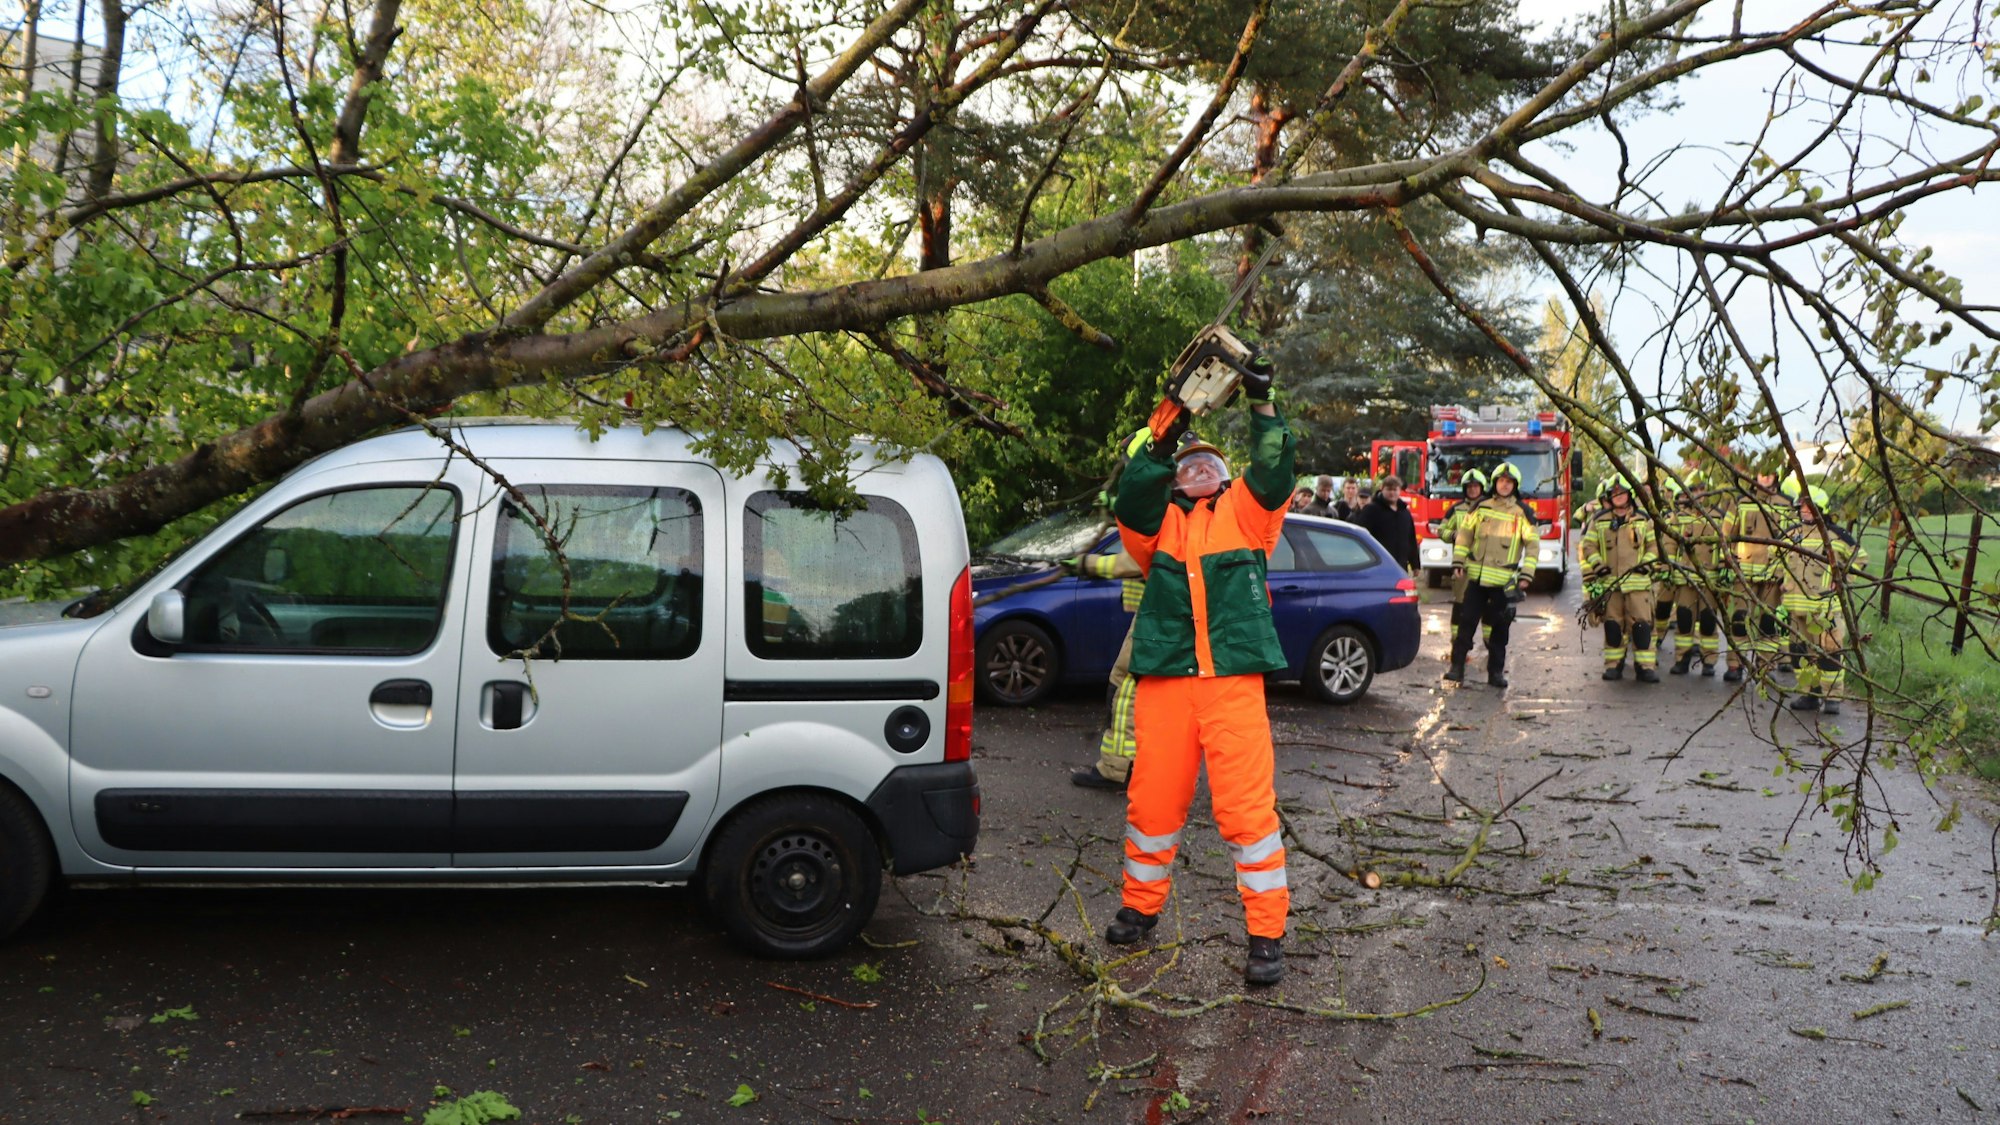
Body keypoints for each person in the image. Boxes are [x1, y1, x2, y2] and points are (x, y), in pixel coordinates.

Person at [1104, 355, 1296, 987]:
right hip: (1166, 684)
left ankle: (1266, 935)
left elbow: (1273, 470)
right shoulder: (1155, 528)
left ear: (1224, 476)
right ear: (1175, 478)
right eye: (1189, 465)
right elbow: (1130, 495)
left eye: (1210, 464)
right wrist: (1168, 423)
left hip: (1232, 684)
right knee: (1152, 804)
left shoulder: (1248, 514)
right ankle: (1139, 909)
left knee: (1247, 814)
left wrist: (1261, 402)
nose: (1200, 471)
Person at [1445, 461, 1537, 687]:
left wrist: (1526, 574)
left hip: (1503, 582)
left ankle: (1495, 673)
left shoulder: (1523, 512)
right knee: (1466, 625)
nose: (1505, 485)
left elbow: (1533, 546)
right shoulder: (1480, 506)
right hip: (1475, 579)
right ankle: (1457, 669)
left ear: (1515, 485)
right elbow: (1465, 535)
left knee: (1499, 630)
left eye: (1509, 482)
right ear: (1495, 483)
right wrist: (1458, 561)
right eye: (1501, 481)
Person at [1778, 484, 1866, 714]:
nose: (1804, 511)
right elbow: (1774, 558)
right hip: (1796, 608)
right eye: (1802, 507)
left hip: (1825, 609)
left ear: (1821, 509)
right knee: (1799, 652)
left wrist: (1843, 577)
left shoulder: (1837, 536)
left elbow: (1860, 559)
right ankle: (1810, 694)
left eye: (1809, 507)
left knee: (1830, 651)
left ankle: (1832, 698)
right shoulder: (1791, 534)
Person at [1581, 476, 1661, 682]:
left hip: (1639, 586)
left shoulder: (1643, 519)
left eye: (1622, 493)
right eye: (1614, 494)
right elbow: (1588, 546)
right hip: (1611, 585)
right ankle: (1613, 666)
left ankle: (1645, 667)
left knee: (1642, 628)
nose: (1618, 497)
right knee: (1613, 627)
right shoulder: (1599, 520)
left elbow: (1654, 547)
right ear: (1609, 497)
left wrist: (1647, 563)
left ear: (1629, 495)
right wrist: (1598, 565)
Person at [1723, 470, 1792, 683]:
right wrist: (1728, 559)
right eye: (1761, 474)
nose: (1765, 478)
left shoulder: (1786, 504)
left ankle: (1765, 667)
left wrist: (1785, 574)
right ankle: (1735, 665)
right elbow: (1725, 533)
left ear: (1776, 477)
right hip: (1743, 572)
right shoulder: (1741, 502)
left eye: (1768, 474)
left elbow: (1793, 540)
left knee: (1767, 624)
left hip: (1773, 574)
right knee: (1739, 620)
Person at [1654, 474, 1725, 675]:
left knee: (1709, 622)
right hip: (1685, 580)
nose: (1697, 495)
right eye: (1693, 490)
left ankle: (1709, 662)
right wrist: (1667, 569)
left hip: (1710, 580)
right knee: (1684, 621)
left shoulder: (1719, 516)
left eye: (1701, 490)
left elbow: (1727, 545)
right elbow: (1669, 544)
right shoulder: (1679, 516)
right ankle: (1682, 660)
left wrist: (1725, 569)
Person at [1436, 468, 1489, 643]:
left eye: (1476, 486)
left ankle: (1489, 642)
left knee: (1488, 607)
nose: (1472, 489)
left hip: (1487, 567)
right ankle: (1458, 642)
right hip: (1463, 567)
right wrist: (1453, 535)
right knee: (1460, 605)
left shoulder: (1491, 507)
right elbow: (1441, 530)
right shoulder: (1456, 510)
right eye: (1469, 486)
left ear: (1482, 487)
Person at [1355, 474, 1418, 573]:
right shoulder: (1371, 510)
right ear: (1382, 489)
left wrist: (1415, 565)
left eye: (1395, 490)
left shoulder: (1405, 513)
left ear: (1399, 491)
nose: (1392, 493)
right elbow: (1361, 535)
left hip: (1400, 566)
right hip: (1377, 565)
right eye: (1389, 489)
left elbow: (1411, 539)